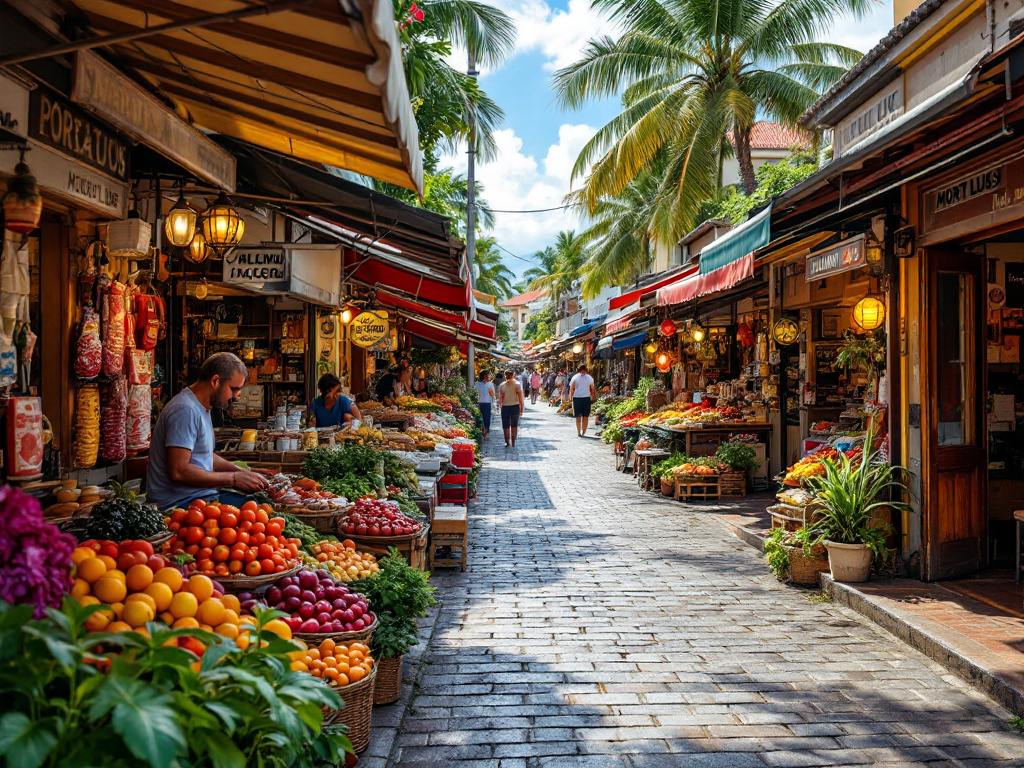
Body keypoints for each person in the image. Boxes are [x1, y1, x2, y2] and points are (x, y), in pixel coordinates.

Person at [146, 352, 269, 511]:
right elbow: (178, 471)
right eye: (233, 389)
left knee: (263, 499)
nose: (236, 396)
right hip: (179, 504)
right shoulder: (185, 411)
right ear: (215, 381)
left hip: (199, 496)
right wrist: (232, 479)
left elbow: (204, 455)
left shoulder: (200, 407)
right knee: (261, 508)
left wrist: (243, 472)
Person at [497, 369, 525, 448]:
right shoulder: (517, 384)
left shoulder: (502, 385)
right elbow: (520, 398)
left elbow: (501, 398)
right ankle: (513, 441)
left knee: (505, 425)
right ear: (513, 375)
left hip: (505, 406)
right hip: (515, 406)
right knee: (514, 425)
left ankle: (506, 441)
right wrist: (522, 408)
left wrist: (499, 405)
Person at [569, 363, 597, 438]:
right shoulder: (575, 377)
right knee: (578, 416)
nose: (582, 372)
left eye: (583, 370)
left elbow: (591, 388)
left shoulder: (589, 378)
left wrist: (593, 395)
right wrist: (571, 396)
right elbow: (572, 388)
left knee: (585, 416)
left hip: (586, 397)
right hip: (577, 397)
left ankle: (584, 430)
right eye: (581, 371)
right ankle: (579, 432)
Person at [474, 369, 496, 438]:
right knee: (481, 417)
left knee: (487, 417)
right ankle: (482, 429)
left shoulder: (489, 384)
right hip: (480, 402)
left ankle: (486, 429)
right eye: (486, 375)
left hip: (487, 402)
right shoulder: (477, 384)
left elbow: (492, 394)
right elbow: (475, 393)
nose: (487, 377)